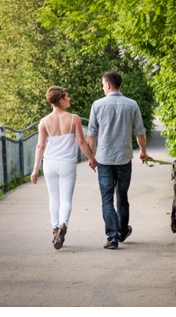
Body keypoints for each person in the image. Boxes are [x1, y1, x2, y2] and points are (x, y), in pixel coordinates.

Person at [87, 70, 148, 249]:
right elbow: (140, 132)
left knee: (107, 199)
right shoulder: (131, 104)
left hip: (104, 159)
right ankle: (122, 231)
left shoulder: (97, 105)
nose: (102, 88)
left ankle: (112, 237)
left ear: (107, 85)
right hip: (124, 158)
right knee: (122, 196)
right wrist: (143, 151)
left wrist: (91, 158)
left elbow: (91, 136)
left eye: (102, 85)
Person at [31, 86, 97, 250]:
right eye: (67, 97)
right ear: (60, 100)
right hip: (67, 163)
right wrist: (92, 160)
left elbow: (40, 146)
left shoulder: (44, 122)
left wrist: (34, 170)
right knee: (66, 199)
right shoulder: (74, 119)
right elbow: (81, 143)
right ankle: (62, 227)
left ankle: (55, 230)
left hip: (50, 163)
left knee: (54, 198)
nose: (69, 99)